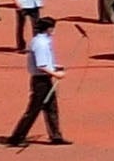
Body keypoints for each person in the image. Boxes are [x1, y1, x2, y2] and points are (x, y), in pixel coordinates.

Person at [4, 18, 68, 147]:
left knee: (51, 108)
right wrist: (56, 74)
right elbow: (41, 65)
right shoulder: (41, 43)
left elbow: (46, 62)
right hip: (41, 81)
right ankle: (17, 137)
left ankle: (56, 136)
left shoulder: (41, 41)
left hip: (44, 79)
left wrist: (55, 66)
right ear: (48, 28)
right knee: (34, 109)